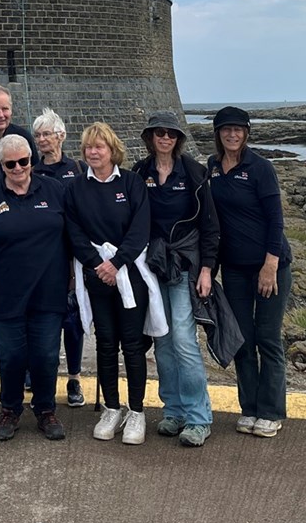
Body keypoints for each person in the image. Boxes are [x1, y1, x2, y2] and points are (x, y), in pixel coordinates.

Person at [0, 134, 69, 442]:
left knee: (46, 356)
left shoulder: (54, 190)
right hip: (6, 294)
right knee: (11, 355)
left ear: (31, 161)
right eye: (10, 163)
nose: (18, 168)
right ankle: (10, 409)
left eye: (23, 161)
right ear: (1, 165)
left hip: (48, 291)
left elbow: (73, 234)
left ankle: (45, 409)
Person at [65, 121, 158, 446]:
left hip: (130, 273)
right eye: (88, 147)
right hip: (96, 275)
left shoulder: (131, 183)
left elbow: (140, 228)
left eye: (99, 146)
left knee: (132, 345)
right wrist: (96, 264)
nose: (93, 152)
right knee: (105, 345)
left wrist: (117, 263)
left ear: (111, 149)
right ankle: (112, 408)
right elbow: (73, 231)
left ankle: (136, 412)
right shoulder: (76, 188)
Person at [134, 110, 218, 448]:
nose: (165, 138)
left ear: (178, 138)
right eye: (159, 133)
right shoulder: (140, 173)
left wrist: (208, 269)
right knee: (163, 340)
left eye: (170, 133)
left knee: (184, 339)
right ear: (151, 137)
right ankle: (174, 410)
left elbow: (210, 226)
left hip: (184, 265)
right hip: (152, 267)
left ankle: (199, 418)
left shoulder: (195, 173)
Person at [208, 105, 293, 437]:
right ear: (218, 133)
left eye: (238, 129)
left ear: (246, 133)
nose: (232, 134)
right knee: (242, 339)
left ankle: (271, 411)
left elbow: (276, 219)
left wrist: (270, 264)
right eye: (226, 129)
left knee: (268, 338)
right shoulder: (213, 168)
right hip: (234, 269)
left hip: (269, 266)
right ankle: (250, 407)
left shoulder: (260, 168)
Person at [32, 107, 86, 408]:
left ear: (61, 136)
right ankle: (42, 378)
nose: (42, 140)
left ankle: (74, 378)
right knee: (43, 318)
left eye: (47, 134)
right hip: (42, 254)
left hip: (72, 254)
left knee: (73, 321)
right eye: (38, 135)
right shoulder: (32, 170)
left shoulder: (76, 168)